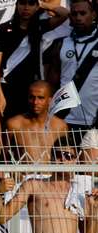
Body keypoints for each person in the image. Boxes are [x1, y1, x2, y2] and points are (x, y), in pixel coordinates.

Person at [0, 0, 68, 119]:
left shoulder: (40, 26)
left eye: (31, 4)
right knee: (7, 129)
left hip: (32, 91)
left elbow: (65, 13)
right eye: (22, 3)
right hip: (7, 87)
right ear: (17, 5)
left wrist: (41, 4)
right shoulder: (4, 29)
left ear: (37, 7)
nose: (26, 7)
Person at [51, 0, 98, 140]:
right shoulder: (61, 43)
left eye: (83, 13)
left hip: (93, 119)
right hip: (64, 119)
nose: (78, 18)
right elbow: (52, 81)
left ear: (94, 14)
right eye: (74, 14)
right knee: (64, 161)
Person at [5, 80, 68, 163]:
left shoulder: (60, 126)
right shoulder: (14, 124)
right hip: (24, 175)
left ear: (50, 100)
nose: (35, 102)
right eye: (32, 97)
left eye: (41, 98)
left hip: (53, 175)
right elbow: (4, 156)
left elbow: (66, 155)